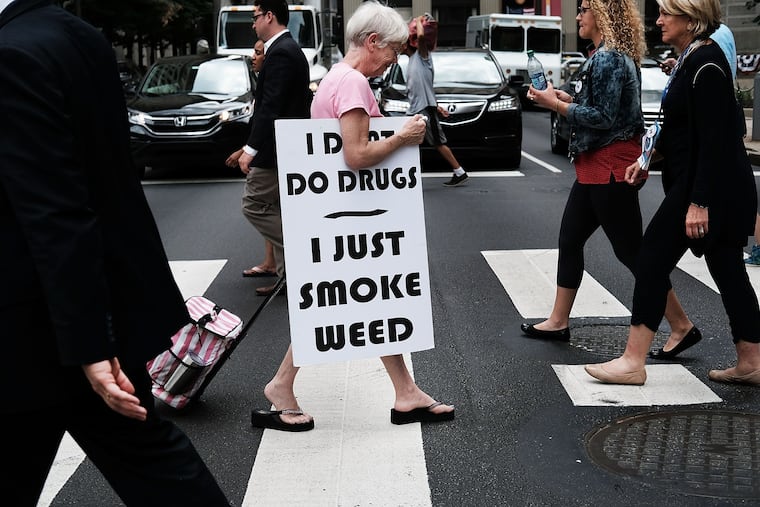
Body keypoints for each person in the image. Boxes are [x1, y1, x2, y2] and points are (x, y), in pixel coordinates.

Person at [0, 1, 230, 505]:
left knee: (150, 459)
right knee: (150, 458)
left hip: (42, 325)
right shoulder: (75, 34)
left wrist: (88, 344)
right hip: (82, 306)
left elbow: (54, 208)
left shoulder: (11, 53)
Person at [250, 0, 455, 432]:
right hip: (353, 216)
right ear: (373, 41)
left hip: (343, 215)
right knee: (337, 303)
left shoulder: (336, 79)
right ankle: (281, 386)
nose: (394, 61)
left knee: (367, 302)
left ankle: (405, 393)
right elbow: (356, 154)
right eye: (393, 51)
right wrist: (402, 136)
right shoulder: (354, 84)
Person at [585, 0, 760, 386]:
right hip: (710, 184)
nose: (658, 20)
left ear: (692, 19)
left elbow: (715, 141)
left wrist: (699, 203)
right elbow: (685, 126)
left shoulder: (707, 64)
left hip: (707, 186)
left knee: (651, 259)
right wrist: (649, 157)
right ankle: (752, 360)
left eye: (666, 14)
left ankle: (633, 361)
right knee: (728, 270)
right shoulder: (691, 58)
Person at [520, 0, 698, 360]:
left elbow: (602, 117)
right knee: (570, 239)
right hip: (594, 164)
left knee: (633, 252)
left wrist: (554, 104)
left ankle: (681, 325)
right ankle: (558, 320)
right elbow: (604, 106)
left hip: (610, 165)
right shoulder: (607, 55)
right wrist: (569, 98)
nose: (579, 15)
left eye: (584, 8)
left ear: (601, 15)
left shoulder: (609, 57)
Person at [237, 0, 312, 299]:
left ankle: (300, 248)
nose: (253, 24)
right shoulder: (286, 50)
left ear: (270, 16)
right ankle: (288, 278)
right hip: (284, 147)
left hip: (277, 149)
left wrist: (250, 149)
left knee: (254, 204)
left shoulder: (281, 53)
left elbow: (271, 107)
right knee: (280, 208)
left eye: (255, 17)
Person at [226, 39, 278, 280]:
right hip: (262, 152)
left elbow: (267, 121)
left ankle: (288, 260)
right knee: (271, 207)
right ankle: (271, 263)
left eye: (258, 53)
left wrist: (249, 151)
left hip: (268, 156)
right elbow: (260, 124)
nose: (253, 57)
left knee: (257, 206)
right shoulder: (260, 83)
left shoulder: (271, 82)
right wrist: (242, 150)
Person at [403, 14, 468, 187]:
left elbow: (422, 37)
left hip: (424, 110)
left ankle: (459, 171)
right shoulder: (410, 62)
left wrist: (417, 22)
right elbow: (424, 88)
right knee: (408, 141)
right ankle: (408, 174)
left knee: (438, 142)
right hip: (418, 109)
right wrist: (438, 106)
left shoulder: (422, 56)